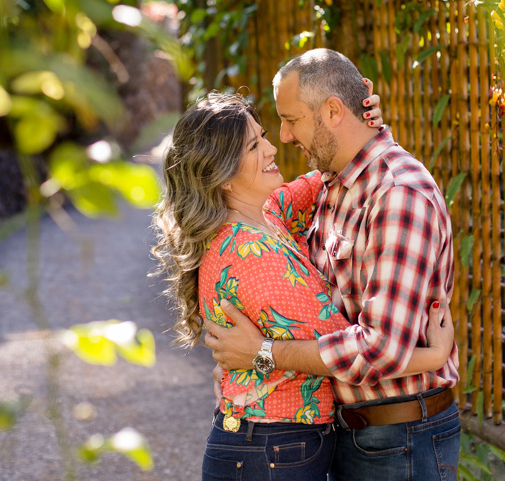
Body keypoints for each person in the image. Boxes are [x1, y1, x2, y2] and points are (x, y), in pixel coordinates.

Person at [152, 89, 455, 481]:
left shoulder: (270, 215)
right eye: (254, 145)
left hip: (277, 445)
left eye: (264, 136)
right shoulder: (251, 252)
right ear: (223, 175)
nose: (273, 147)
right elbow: (358, 351)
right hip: (270, 448)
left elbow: (336, 165)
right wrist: (434, 356)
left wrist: (362, 126)